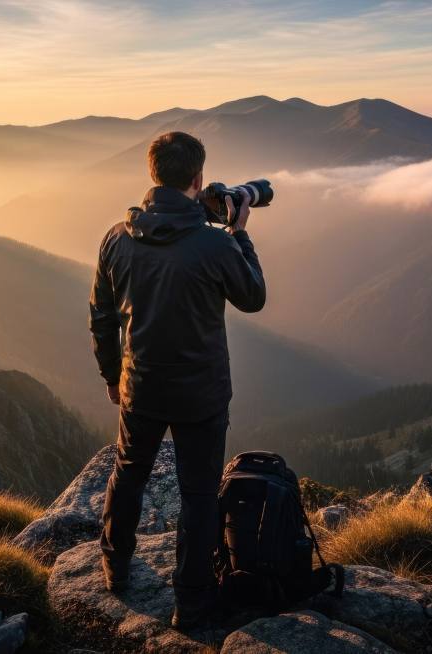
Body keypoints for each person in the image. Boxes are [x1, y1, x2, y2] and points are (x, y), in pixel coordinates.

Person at [90, 131, 266, 629]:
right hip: (201, 394)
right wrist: (239, 233)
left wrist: (111, 374)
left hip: (139, 385)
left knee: (129, 472)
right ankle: (190, 602)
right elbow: (253, 296)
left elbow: (101, 316)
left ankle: (114, 567)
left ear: (153, 174)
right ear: (198, 178)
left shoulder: (115, 238)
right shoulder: (213, 243)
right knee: (198, 494)